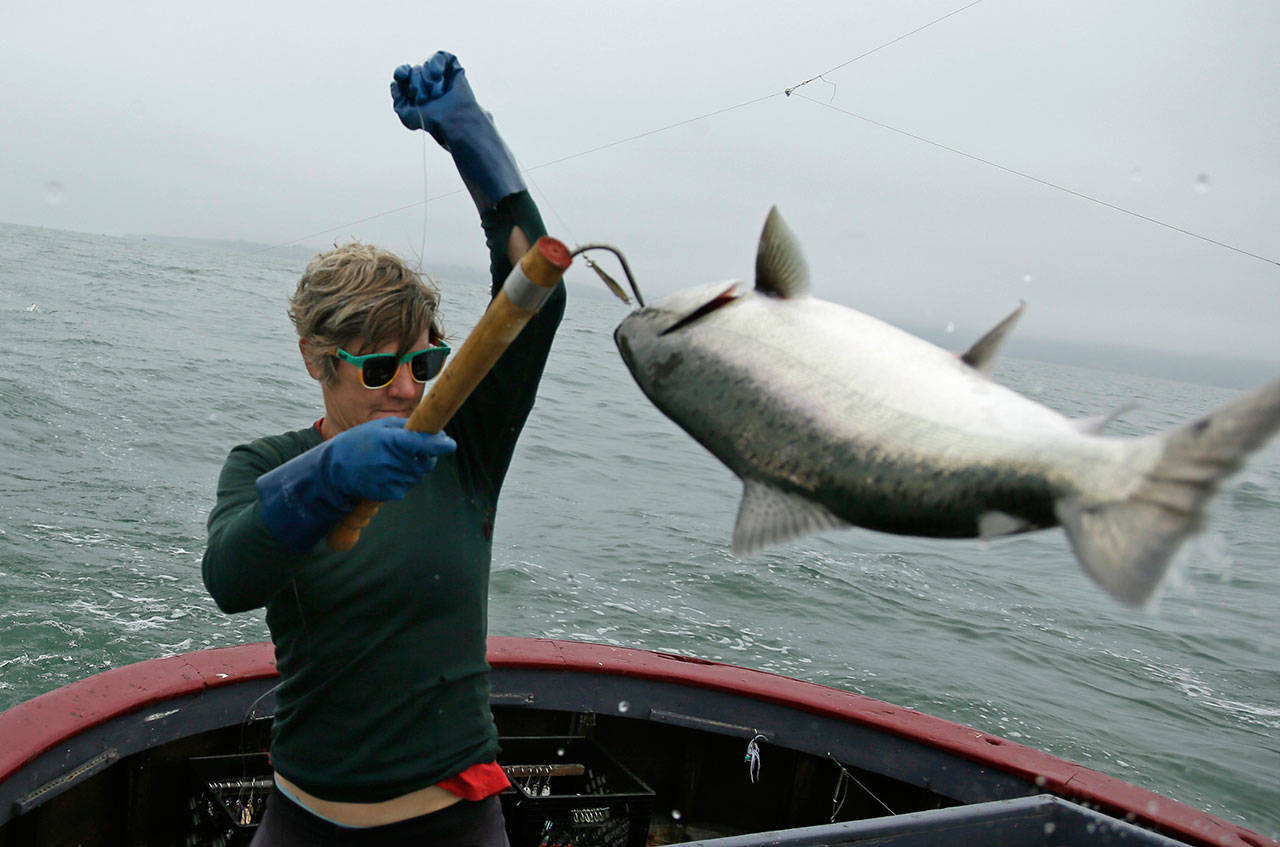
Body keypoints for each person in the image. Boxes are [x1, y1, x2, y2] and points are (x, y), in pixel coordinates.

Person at [202, 51, 565, 846]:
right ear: (315, 360)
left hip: (458, 824)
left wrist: (472, 139)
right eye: (377, 366)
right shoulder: (263, 467)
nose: (407, 388)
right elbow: (230, 576)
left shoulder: (461, 444)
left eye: (425, 361)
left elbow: (536, 283)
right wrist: (326, 478)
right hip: (303, 821)